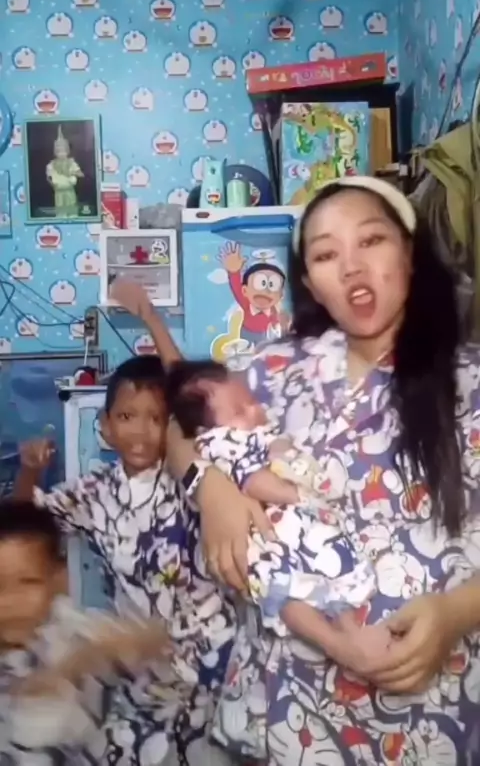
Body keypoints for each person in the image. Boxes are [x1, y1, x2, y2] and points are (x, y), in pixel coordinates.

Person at [162, 175, 480, 764]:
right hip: (273, 715)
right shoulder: (275, 368)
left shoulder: (469, 383)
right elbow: (178, 426)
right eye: (327, 255)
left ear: (409, 254)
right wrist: (211, 489)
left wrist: (455, 614)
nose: (352, 266)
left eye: (372, 241)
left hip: (421, 721)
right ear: (311, 284)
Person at [15, 354, 236, 766]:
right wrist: (30, 471)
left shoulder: (191, 482)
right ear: (105, 426)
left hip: (216, 665)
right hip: (142, 668)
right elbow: (26, 526)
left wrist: (153, 323)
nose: (140, 431)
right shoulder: (94, 492)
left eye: (156, 418)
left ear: (172, 427)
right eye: (127, 416)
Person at [165, 357, 391, 663]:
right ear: (206, 429)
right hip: (268, 541)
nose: (255, 410)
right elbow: (253, 481)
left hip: (293, 532)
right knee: (288, 595)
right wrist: (298, 495)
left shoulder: (252, 430)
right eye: (240, 410)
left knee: (330, 585)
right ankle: (335, 643)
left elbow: (279, 454)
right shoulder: (222, 442)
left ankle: (353, 636)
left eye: (251, 402)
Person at [0, 499, 172, 764]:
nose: (10, 601)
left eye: (28, 582)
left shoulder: (68, 629)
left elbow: (152, 639)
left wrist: (83, 661)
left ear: (58, 580)